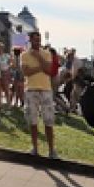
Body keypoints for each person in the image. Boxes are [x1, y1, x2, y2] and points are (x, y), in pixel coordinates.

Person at [21, 31, 59, 159]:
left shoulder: (46, 53)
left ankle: (51, 149)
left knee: (48, 121)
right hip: (31, 89)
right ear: (30, 40)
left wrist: (38, 57)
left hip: (46, 90)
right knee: (33, 120)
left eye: (39, 39)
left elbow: (49, 70)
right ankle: (35, 147)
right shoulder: (24, 55)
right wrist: (40, 68)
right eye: (36, 39)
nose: (38, 41)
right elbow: (25, 72)